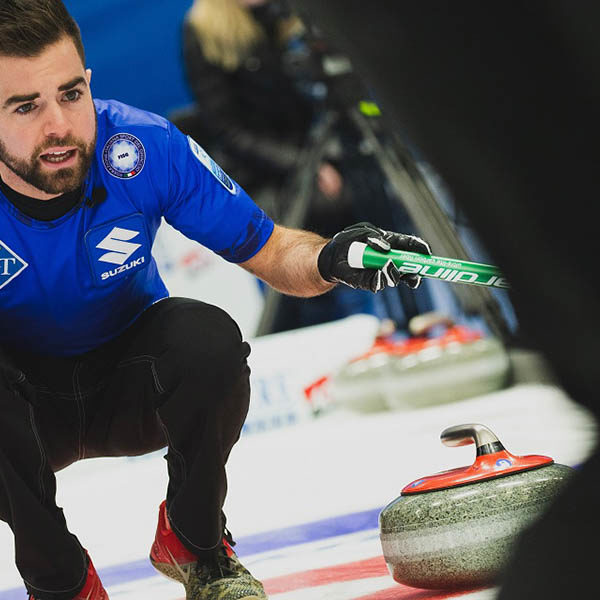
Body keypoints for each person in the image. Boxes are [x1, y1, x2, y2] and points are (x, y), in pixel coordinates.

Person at [0, 2, 431, 600]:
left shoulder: (140, 144)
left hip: (129, 385)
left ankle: (196, 544)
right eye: (26, 107)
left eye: (71, 94)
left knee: (209, 340)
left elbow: (274, 250)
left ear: (89, 83)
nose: (59, 126)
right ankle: (62, 585)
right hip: (19, 415)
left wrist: (335, 255)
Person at [173, 0, 435, 334]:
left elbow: (321, 99)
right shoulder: (203, 30)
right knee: (330, 214)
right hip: (263, 172)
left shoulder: (290, 17)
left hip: (320, 150)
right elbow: (229, 132)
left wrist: (331, 156)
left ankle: (417, 317)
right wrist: (306, 165)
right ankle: (349, 326)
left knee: (388, 193)